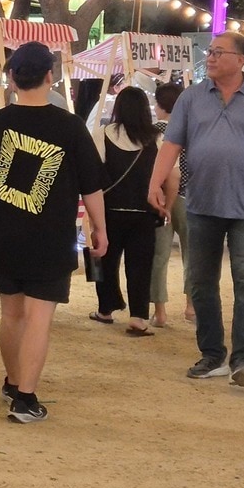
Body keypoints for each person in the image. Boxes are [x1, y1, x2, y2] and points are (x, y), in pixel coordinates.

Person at [0, 42, 107, 424]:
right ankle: (25, 398)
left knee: (11, 315)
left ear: (10, 78)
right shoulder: (71, 126)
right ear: (50, 76)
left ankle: (13, 381)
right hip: (52, 235)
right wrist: (100, 230)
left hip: (4, 234)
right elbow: (92, 186)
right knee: (39, 317)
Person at [149, 31, 244, 387]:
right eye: (209, 52)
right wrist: (154, 183)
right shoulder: (191, 98)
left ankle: (243, 359)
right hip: (201, 203)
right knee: (201, 282)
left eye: (218, 52)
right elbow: (172, 145)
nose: (209, 58)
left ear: (241, 60)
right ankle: (212, 355)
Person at [89, 87, 170, 336]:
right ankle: (138, 317)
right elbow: (169, 174)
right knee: (140, 265)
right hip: (144, 213)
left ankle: (106, 308)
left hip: (109, 210)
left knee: (101, 260)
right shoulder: (156, 139)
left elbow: (93, 175)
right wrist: (165, 206)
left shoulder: (103, 134)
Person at [149, 81, 189, 327]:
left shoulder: (151, 132)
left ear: (157, 104)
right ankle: (191, 307)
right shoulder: (190, 130)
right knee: (193, 254)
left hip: (159, 198)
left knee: (159, 255)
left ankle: (160, 311)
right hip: (189, 196)